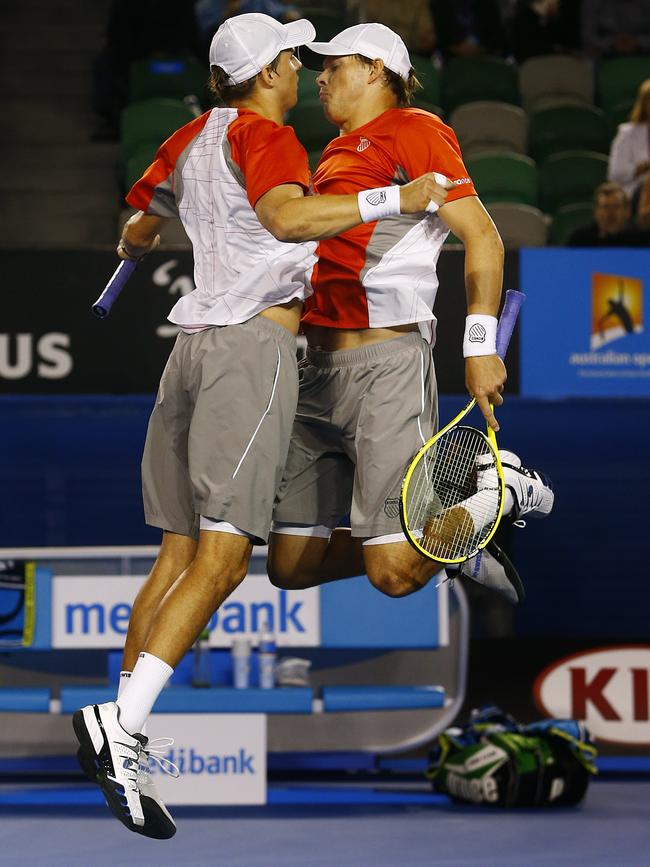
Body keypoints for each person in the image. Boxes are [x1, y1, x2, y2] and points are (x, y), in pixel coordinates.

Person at [72, 13, 449, 840]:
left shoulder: (186, 137)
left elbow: (135, 228)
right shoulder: (267, 137)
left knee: (175, 554)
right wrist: (397, 195)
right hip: (252, 351)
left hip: (189, 350)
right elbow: (287, 219)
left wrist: (148, 245)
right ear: (271, 70)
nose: (300, 69)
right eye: (291, 56)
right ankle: (123, 724)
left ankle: (123, 729)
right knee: (221, 555)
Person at [267, 23, 554, 606]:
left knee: (393, 576)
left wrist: (479, 346)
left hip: (386, 373)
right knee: (291, 568)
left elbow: (484, 238)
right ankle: (447, 536)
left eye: (334, 66)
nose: (319, 79)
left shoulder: (415, 129)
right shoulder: (333, 154)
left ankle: (499, 491)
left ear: (375, 69)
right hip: (315, 373)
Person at [608, 80, 650, 221]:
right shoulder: (627, 133)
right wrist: (639, 169)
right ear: (644, 105)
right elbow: (614, 174)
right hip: (633, 197)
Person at [568, 182, 650, 246]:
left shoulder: (641, 240)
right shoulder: (580, 240)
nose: (610, 213)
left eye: (616, 207)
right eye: (605, 207)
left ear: (627, 212)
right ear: (596, 212)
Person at [581, 0, 650, 59]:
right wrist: (611, 43)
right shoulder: (593, 2)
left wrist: (639, 42)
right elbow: (588, 37)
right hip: (604, 55)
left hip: (644, 53)